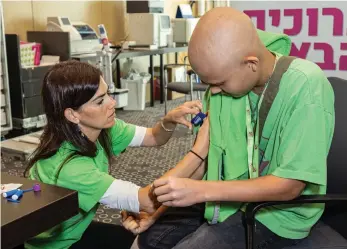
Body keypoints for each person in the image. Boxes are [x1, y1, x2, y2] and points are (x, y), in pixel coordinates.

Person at [123, 7, 335, 249]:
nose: (213, 92)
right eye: (208, 84)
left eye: (219, 83)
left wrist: (202, 191)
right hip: (224, 196)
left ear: (251, 64)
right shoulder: (227, 83)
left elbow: (290, 186)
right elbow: (207, 159)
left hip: (277, 212)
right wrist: (158, 210)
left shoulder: (305, 86)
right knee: (147, 242)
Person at [23, 60, 207, 249]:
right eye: (100, 101)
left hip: (76, 232)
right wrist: (199, 151)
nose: (113, 102)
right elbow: (147, 202)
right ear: (72, 115)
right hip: (56, 246)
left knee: (143, 239)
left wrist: (168, 121)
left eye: (108, 94)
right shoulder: (68, 167)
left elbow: (153, 137)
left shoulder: (103, 129)